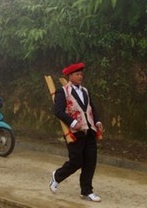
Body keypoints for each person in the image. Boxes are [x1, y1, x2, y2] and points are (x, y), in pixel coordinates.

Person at [49, 62, 103, 202]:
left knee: (90, 161)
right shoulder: (63, 91)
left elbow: (92, 108)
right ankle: (57, 176)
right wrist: (73, 123)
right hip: (74, 133)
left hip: (89, 131)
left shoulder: (85, 91)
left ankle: (86, 191)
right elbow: (58, 111)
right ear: (70, 75)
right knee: (76, 161)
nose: (80, 77)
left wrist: (97, 122)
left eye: (81, 74)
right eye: (77, 74)